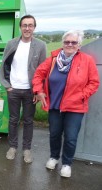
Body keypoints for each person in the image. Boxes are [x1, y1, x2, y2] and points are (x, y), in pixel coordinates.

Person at [32, 30, 99, 177]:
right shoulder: (53, 59)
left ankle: (67, 164)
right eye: (67, 42)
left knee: (70, 137)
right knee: (55, 134)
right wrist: (39, 91)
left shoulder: (86, 60)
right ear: (63, 43)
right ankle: (54, 157)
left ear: (79, 44)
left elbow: (94, 83)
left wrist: (81, 96)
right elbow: (38, 74)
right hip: (55, 105)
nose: (70, 44)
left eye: (73, 42)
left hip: (75, 107)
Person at [0, 15, 47, 163]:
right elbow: (4, 65)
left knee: (28, 121)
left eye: (30, 25)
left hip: (29, 91)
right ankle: (13, 147)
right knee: (13, 120)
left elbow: (42, 70)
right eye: (24, 25)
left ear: (34, 27)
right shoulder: (11, 44)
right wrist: (7, 85)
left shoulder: (40, 45)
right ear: (20, 27)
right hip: (13, 90)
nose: (27, 28)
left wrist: (39, 91)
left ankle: (27, 150)